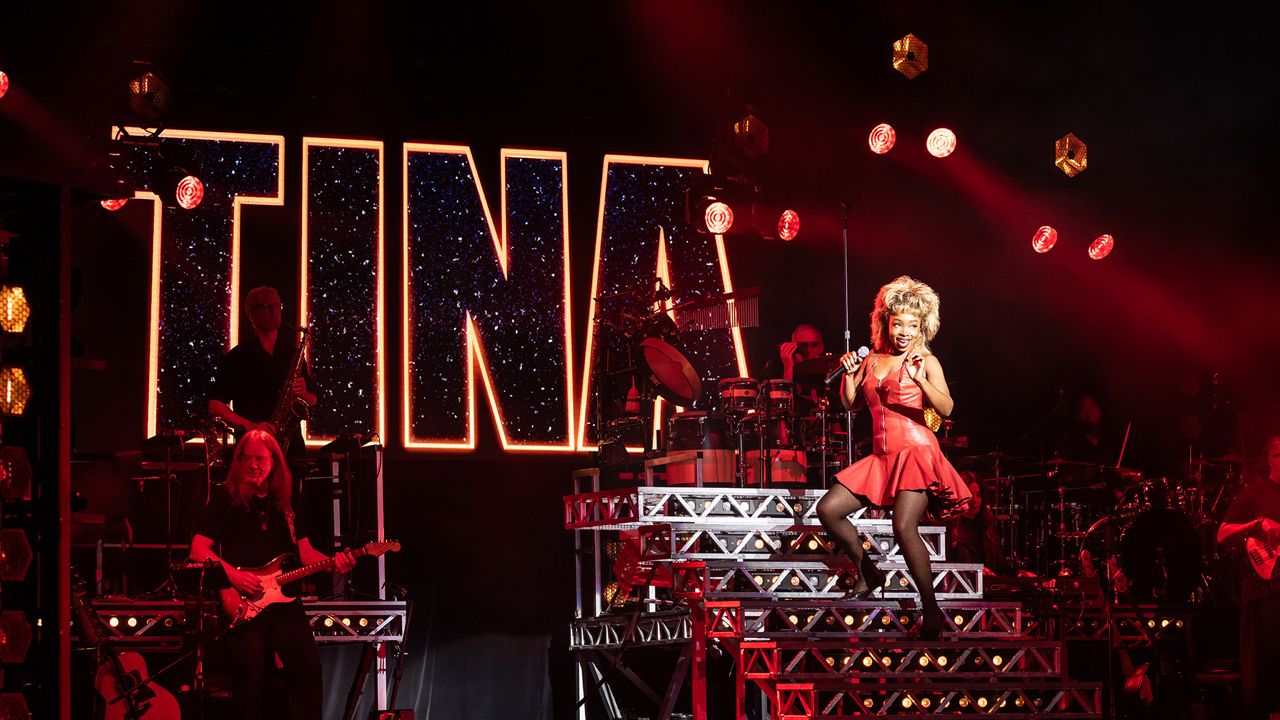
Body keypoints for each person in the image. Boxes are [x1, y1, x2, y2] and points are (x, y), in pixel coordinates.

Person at [814, 276, 972, 639]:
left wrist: (921, 382)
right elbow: (851, 404)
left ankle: (931, 611)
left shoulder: (926, 360)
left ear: (922, 327)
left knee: (903, 527)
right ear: (886, 322)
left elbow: (947, 408)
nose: (903, 331)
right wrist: (849, 375)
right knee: (828, 510)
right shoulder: (872, 360)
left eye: (912, 325)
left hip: (916, 452)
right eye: (897, 323)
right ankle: (868, 571)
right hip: (882, 455)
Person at [189, 429, 355, 720]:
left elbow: (305, 553)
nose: (254, 465)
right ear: (238, 462)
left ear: (274, 463)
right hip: (243, 601)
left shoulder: (286, 505)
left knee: (308, 668)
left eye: (260, 459)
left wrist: (334, 561)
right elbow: (198, 549)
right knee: (251, 671)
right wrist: (232, 577)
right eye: (247, 459)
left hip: (284, 602)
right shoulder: (223, 498)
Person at [209, 286, 317, 455]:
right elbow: (215, 405)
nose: (275, 311)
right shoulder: (237, 357)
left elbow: (313, 400)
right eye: (267, 306)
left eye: (278, 305)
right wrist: (251, 426)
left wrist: (303, 393)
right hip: (253, 448)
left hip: (291, 448)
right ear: (251, 313)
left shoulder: (292, 354)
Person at [1216, 434, 1280, 719]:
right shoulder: (1255, 493)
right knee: (1263, 673)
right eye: (1279, 454)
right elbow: (1222, 533)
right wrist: (1257, 523)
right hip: (1262, 593)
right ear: (1269, 459)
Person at [947, 474, 1012, 576]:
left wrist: (1017, 574)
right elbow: (944, 567)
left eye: (978, 495)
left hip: (988, 586)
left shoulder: (987, 526)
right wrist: (976, 571)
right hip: (963, 588)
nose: (975, 501)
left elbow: (999, 566)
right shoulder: (949, 528)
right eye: (970, 495)